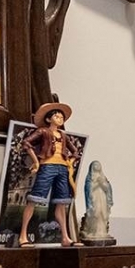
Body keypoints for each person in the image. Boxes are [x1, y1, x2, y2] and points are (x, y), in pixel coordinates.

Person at [19, 102, 82, 247]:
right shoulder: (43, 132)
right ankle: (23, 236)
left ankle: (65, 237)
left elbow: (75, 152)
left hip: (62, 169)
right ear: (48, 119)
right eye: (57, 116)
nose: (60, 119)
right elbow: (26, 143)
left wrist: (70, 162)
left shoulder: (63, 135)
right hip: (47, 167)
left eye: (61, 117)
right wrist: (36, 161)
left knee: (62, 202)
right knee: (34, 199)